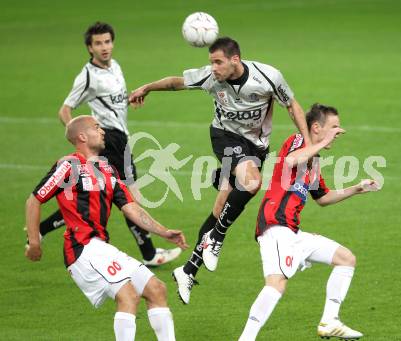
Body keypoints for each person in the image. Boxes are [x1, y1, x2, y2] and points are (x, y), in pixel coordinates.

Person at [129, 37, 311, 304]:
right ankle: (217, 237)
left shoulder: (267, 76)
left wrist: (306, 140)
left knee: (221, 207)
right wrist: (148, 87)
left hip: (257, 146)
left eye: (218, 62)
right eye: (211, 62)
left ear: (234, 60)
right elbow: (174, 82)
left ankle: (187, 270)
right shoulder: (211, 78)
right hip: (225, 137)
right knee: (251, 183)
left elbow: (292, 105)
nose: (213, 67)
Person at [25, 115, 189, 341]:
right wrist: (35, 242)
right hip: (81, 248)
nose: (102, 131)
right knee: (128, 295)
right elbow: (34, 200)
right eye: (96, 127)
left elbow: (131, 208)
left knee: (156, 289)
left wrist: (163, 231)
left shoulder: (107, 169)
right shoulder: (68, 165)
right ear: (82, 136)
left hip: (99, 247)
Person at [36, 21, 181, 266]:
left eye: (107, 41)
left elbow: (113, 101)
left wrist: (128, 100)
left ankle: (40, 229)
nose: (104, 47)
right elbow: (65, 110)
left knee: (103, 195)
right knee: (128, 197)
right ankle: (149, 254)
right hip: (109, 140)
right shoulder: (88, 76)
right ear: (89, 48)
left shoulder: (115, 66)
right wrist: (81, 140)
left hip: (119, 138)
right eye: (98, 43)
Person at [238, 104, 380, 340]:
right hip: (275, 224)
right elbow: (291, 161)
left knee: (346, 259)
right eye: (333, 127)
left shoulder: (313, 161)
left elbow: (323, 198)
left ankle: (329, 321)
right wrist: (323, 143)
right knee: (276, 284)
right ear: (316, 127)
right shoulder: (298, 142)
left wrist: (357, 188)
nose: (339, 131)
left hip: (292, 231)